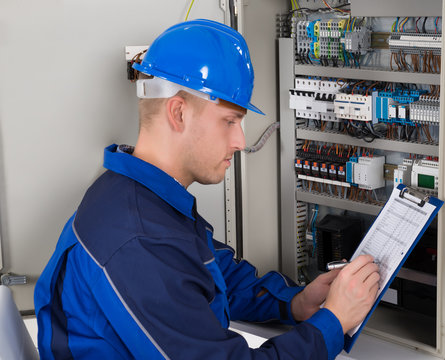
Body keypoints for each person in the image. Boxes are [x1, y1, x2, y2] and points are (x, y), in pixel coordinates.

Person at [34, 19, 380, 359]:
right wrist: (333, 322)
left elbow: (208, 275)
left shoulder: (138, 195)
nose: (241, 141)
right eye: (230, 121)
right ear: (178, 113)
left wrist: (294, 302)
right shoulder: (138, 239)